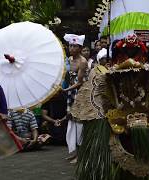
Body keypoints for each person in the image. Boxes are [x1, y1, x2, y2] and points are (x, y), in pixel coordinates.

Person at [63, 33, 88, 164]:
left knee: (79, 124)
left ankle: (81, 154)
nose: (71, 48)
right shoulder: (68, 60)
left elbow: (80, 83)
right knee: (71, 121)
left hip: (81, 94)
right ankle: (73, 152)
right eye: (70, 46)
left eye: (74, 46)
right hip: (71, 93)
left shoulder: (83, 62)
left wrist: (66, 89)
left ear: (80, 47)